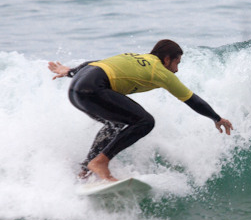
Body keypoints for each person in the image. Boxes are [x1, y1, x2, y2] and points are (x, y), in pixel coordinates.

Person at [49, 39, 233, 181]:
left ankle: (85, 171)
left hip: (75, 90)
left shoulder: (134, 57)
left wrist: (70, 71)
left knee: (115, 123)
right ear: (167, 59)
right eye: (177, 63)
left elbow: (96, 63)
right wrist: (217, 118)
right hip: (93, 89)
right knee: (145, 121)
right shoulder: (160, 72)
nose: (176, 70)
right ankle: (100, 162)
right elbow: (192, 99)